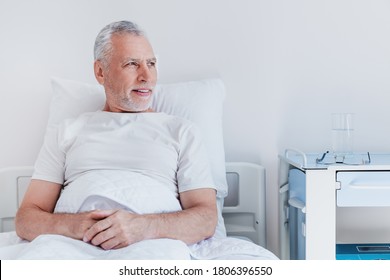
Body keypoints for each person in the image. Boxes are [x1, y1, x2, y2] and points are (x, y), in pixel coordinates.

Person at [15, 20, 218, 250]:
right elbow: (26, 220)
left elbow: (206, 219)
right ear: (101, 72)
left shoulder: (182, 132)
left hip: (153, 250)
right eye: (132, 64)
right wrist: (76, 226)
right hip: (72, 248)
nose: (146, 76)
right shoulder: (67, 131)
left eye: (151, 63)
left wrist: (142, 228)